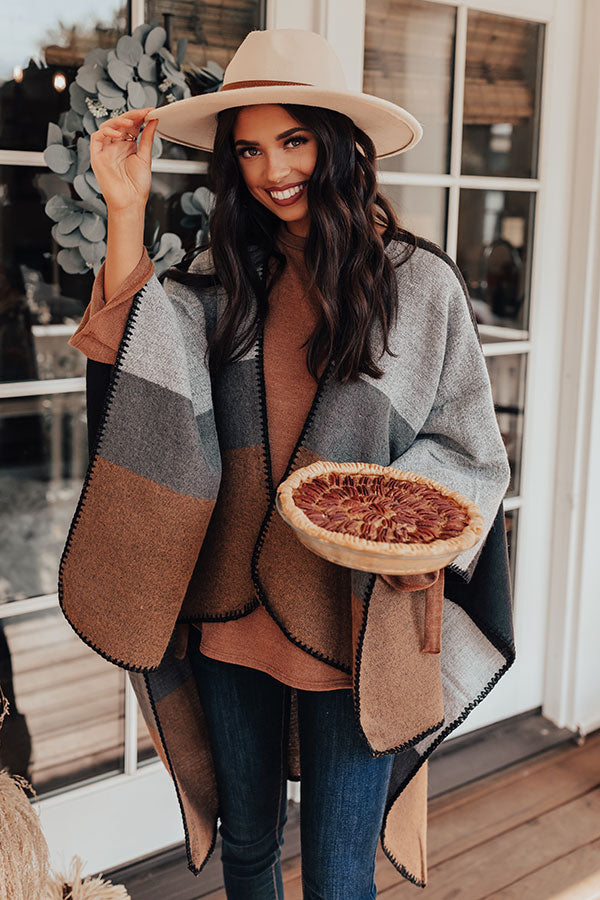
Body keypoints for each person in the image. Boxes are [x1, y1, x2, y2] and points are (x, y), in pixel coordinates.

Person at [62, 29, 514, 899]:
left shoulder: (419, 287)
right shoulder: (219, 277)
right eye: (251, 149)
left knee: (341, 877)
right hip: (229, 608)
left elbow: (470, 454)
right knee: (247, 848)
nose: (274, 170)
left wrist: (393, 523)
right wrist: (126, 211)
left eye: (295, 139)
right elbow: (137, 371)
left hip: (357, 616)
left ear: (338, 143)